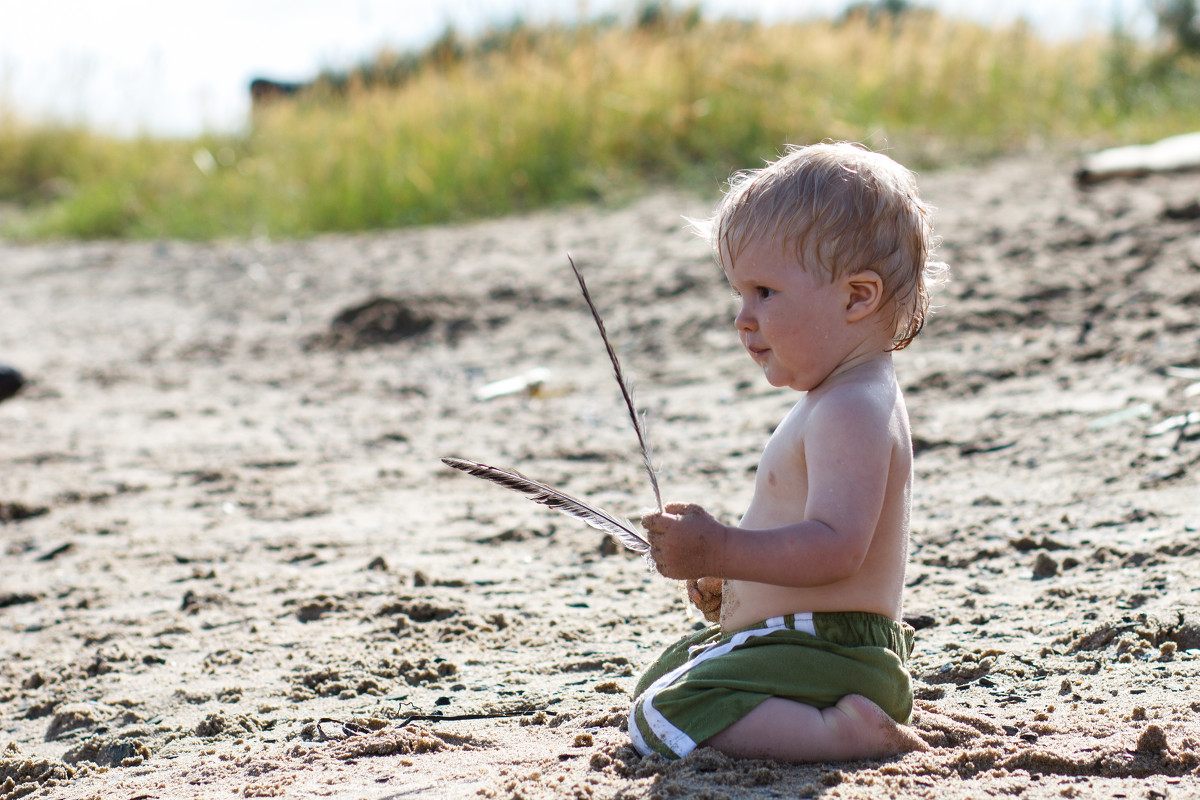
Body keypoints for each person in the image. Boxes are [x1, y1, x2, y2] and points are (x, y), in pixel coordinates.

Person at [630, 142, 948, 762]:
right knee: (664, 676)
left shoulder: (851, 409)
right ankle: (824, 717)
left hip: (830, 651)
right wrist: (733, 580)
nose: (743, 319)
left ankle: (840, 734)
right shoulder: (840, 399)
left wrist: (722, 545)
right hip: (810, 643)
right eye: (739, 294)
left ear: (857, 298)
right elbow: (804, 543)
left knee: (661, 715)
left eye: (765, 292)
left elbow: (836, 548)